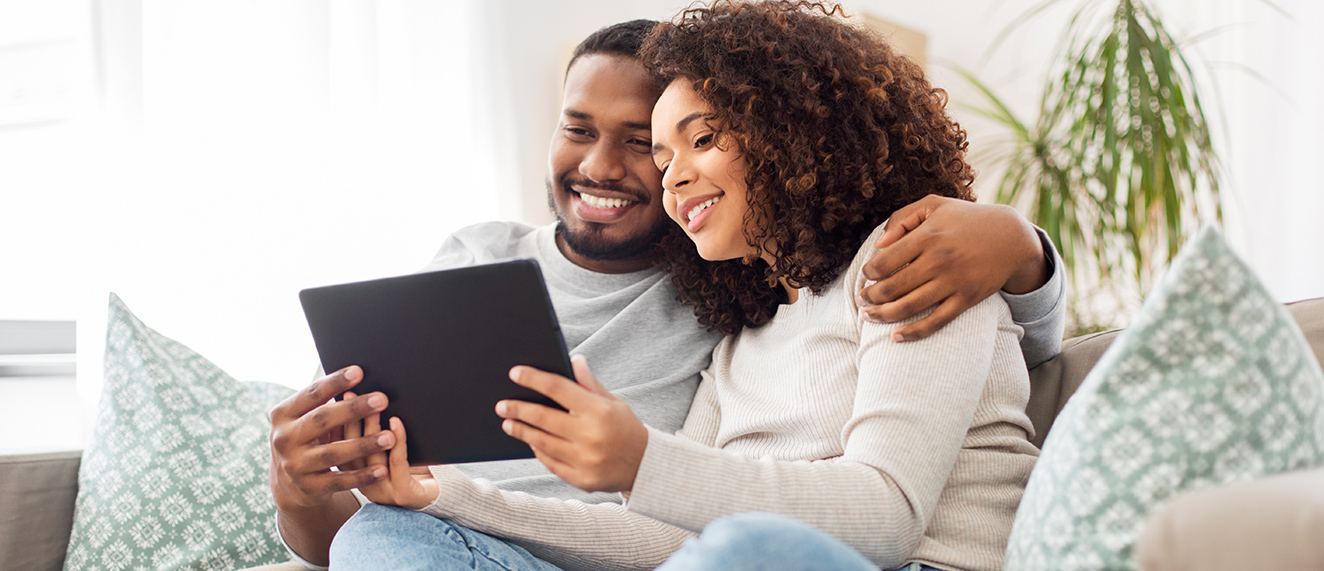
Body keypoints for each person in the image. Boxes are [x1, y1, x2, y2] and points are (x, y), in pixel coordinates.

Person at [275, 15, 1065, 570]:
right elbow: (664, 543)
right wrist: (440, 493)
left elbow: (887, 521)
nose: (673, 170)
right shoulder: (741, 341)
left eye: (703, 138)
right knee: (382, 538)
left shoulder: (907, 266)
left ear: (792, 130)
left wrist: (642, 459)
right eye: (666, 149)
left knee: (742, 549)